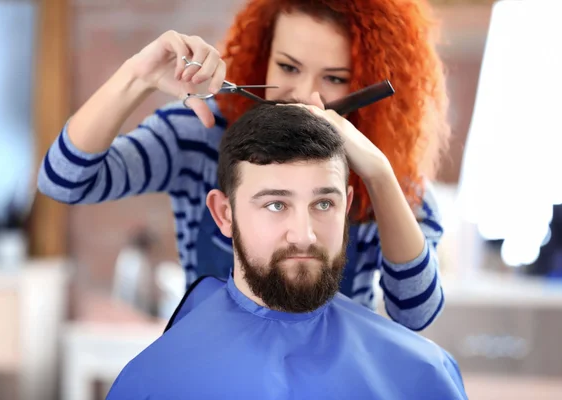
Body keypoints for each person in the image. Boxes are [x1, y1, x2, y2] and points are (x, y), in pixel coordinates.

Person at [37, 0, 449, 330]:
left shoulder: (386, 171)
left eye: (335, 78)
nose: (305, 96)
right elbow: (64, 181)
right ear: (261, 56)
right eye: (288, 67)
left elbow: (416, 313)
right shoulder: (198, 134)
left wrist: (378, 174)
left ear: (365, 80)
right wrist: (136, 77)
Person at [105, 103, 467, 400]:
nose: (305, 235)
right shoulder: (157, 381)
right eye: (276, 205)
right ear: (224, 214)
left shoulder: (420, 374)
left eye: (324, 204)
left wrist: (381, 173)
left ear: (347, 206)